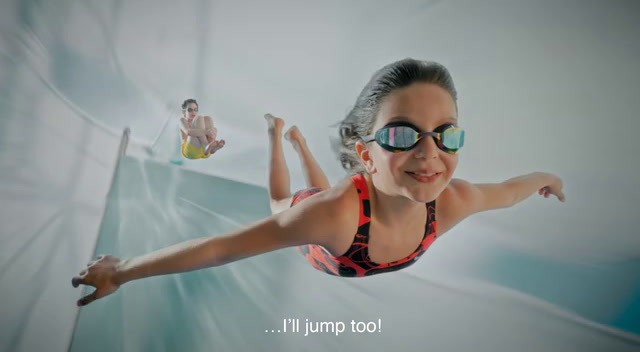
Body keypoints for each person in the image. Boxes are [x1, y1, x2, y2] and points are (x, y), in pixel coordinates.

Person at [72, 59, 565, 306]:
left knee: (323, 194)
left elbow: (508, 190)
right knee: (280, 201)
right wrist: (123, 269)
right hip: (322, 221)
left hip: (346, 208)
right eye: (402, 134)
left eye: (446, 134)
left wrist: (545, 177)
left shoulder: (454, 200)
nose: (430, 152)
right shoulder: (329, 214)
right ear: (367, 152)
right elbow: (222, 248)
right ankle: (277, 137)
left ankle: (302, 145)